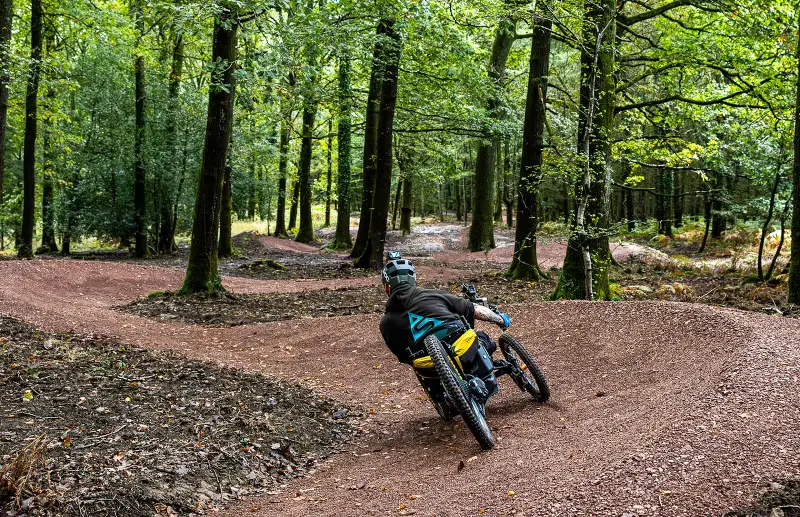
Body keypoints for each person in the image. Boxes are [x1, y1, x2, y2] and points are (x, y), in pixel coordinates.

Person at [378, 252, 511, 400]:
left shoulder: (385, 323)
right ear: (413, 280)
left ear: (387, 288)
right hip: (465, 349)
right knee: (484, 339)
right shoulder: (434, 294)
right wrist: (500, 319)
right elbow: (475, 310)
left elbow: (402, 356)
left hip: (429, 367)